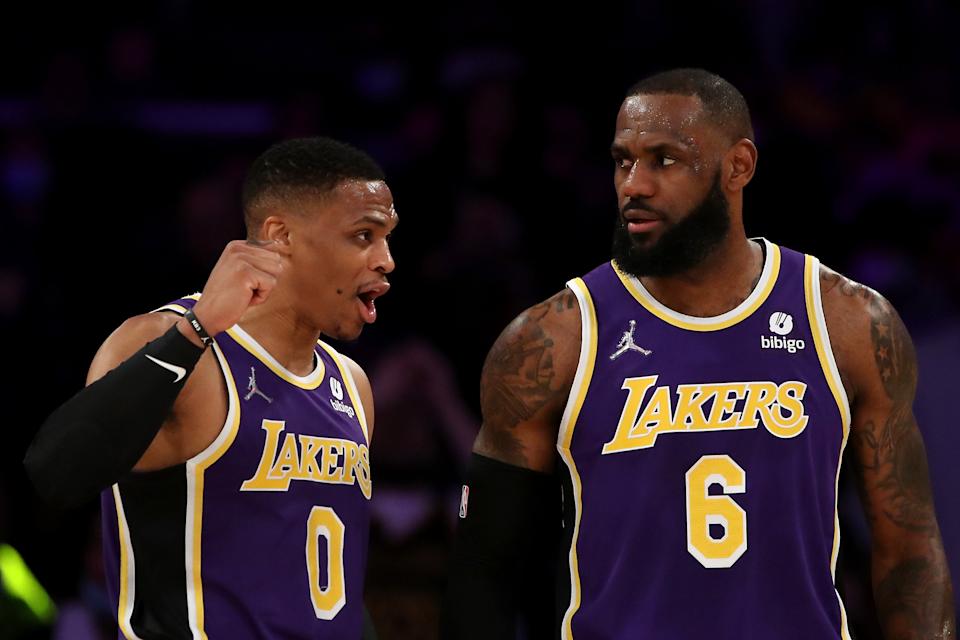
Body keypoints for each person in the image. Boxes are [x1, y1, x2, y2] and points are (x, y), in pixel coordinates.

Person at [443, 69, 956, 639]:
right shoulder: (552, 339)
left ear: (738, 166)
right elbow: (482, 574)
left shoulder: (849, 323)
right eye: (622, 160)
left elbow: (909, 552)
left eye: (663, 159)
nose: (633, 185)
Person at [24, 137, 397, 639]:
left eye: (387, 236)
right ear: (280, 234)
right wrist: (195, 331)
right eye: (363, 235)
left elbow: (333, 595)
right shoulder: (167, 339)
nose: (385, 259)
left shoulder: (351, 384)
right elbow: (54, 474)